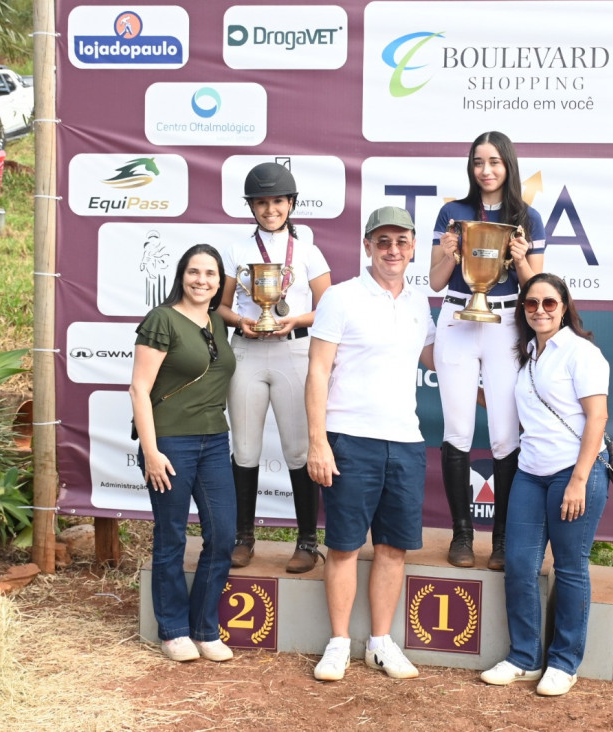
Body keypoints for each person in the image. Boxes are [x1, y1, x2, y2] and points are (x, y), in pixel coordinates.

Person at [306, 206, 437, 682]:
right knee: (343, 546)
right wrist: (318, 442)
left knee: (393, 548)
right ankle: (339, 643)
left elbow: (436, 358)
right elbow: (317, 370)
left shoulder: (420, 303)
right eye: (383, 241)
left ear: (414, 247)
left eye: (401, 241)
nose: (392, 250)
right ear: (367, 246)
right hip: (349, 439)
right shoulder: (340, 297)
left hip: (405, 441)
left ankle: (380, 643)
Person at [479, 273, 609, 697]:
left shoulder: (581, 352)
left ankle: (564, 662)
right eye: (531, 303)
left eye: (549, 303)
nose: (540, 310)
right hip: (530, 474)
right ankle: (524, 657)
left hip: (574, 472)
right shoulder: (527, 354)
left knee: (569, 567)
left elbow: (598, 417)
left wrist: (578, 480)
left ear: (564, 306)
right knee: (519, 564)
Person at [429, 130, 546, 570]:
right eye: (478, 162)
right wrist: (448, 254)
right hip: (458, 317)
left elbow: (537, 289)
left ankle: (502, 539)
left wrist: (521, 258)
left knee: (505, 434)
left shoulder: (528, 217)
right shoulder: (453, 212)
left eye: (494, 161)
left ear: (508, 165)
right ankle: (462, 535)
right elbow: (436, 281)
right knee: (457, 429)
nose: (486, 170)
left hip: (506, 321)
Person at [216, 162, 332, 573]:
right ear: (251, 206)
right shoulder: (236, 250)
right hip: (247, 351)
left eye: (278, 201)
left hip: (293, 351)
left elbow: (329, 309)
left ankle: (307, 541)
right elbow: (221, 306)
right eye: (261, 203)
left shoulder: (308, 251)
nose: (270, 210)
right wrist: (240, 321)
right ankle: (243, 537)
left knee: (298, 449)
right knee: (245, 448)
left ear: (291, 204)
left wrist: (295, 319)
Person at [129, 243, 237, 663]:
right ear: (181, 275)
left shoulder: (216, 321)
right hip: (170, 442)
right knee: (171, 535)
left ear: (219, 282)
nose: (201, 280)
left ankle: (205, 629)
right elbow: (139, 389)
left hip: (215, 441)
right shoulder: (162, 319)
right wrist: (151, 451)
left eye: (210, 274)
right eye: (194, 272)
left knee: (222, 535)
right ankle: (173, 630)